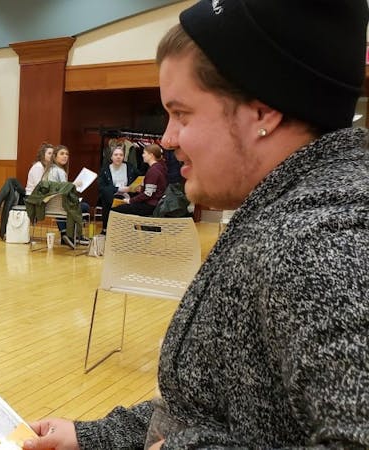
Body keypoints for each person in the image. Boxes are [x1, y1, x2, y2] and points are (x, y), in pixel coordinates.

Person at [25, 1, 369, 448]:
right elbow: (212, 406)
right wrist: (94, 438)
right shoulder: (280, 213)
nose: (167, 138)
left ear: (264, 113)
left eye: (182, 114)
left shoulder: (322, 241)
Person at [42, 145, 89, 248]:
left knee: (66, 203)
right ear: (54, 157)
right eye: (62, 154)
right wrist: (74, 185)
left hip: (48, 206)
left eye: (67, 154)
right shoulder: (60, 171)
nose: (65, 156)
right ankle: (74, 235)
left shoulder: (48, 170)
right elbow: (64, 191)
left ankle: (65, 233)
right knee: (84, 206)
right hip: (60, 206)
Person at [110, 144, 167, 217]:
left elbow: (148, 194)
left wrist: (130, 200)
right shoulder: (160, 167)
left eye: (144, 153)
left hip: (150, 205)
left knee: (115, 211)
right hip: (154, 203)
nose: (142, 155)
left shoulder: (153, 170)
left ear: (151, 155)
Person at [97, 145, 138, 233]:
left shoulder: (130, 167)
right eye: (116, 155)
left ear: (123, 157)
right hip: (111, 197)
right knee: (107, 199)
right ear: (111, 157)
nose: (118, 157)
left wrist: (134, 188)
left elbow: (138, 179)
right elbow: (102, 187)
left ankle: (127, 230)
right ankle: (107, 229)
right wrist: (118, 189)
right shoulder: (105, 169)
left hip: (127, 196)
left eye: (121, 155)